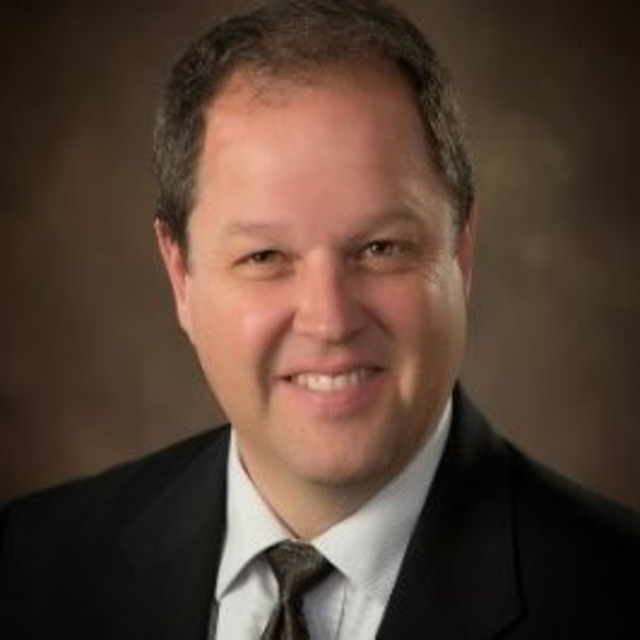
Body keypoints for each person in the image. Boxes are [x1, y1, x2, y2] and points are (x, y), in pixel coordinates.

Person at [1, 1, 638, 638]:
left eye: (381, 248)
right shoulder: (30, 565)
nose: (330, 321)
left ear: (461, 254)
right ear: (181, 277)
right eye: (264, 257)